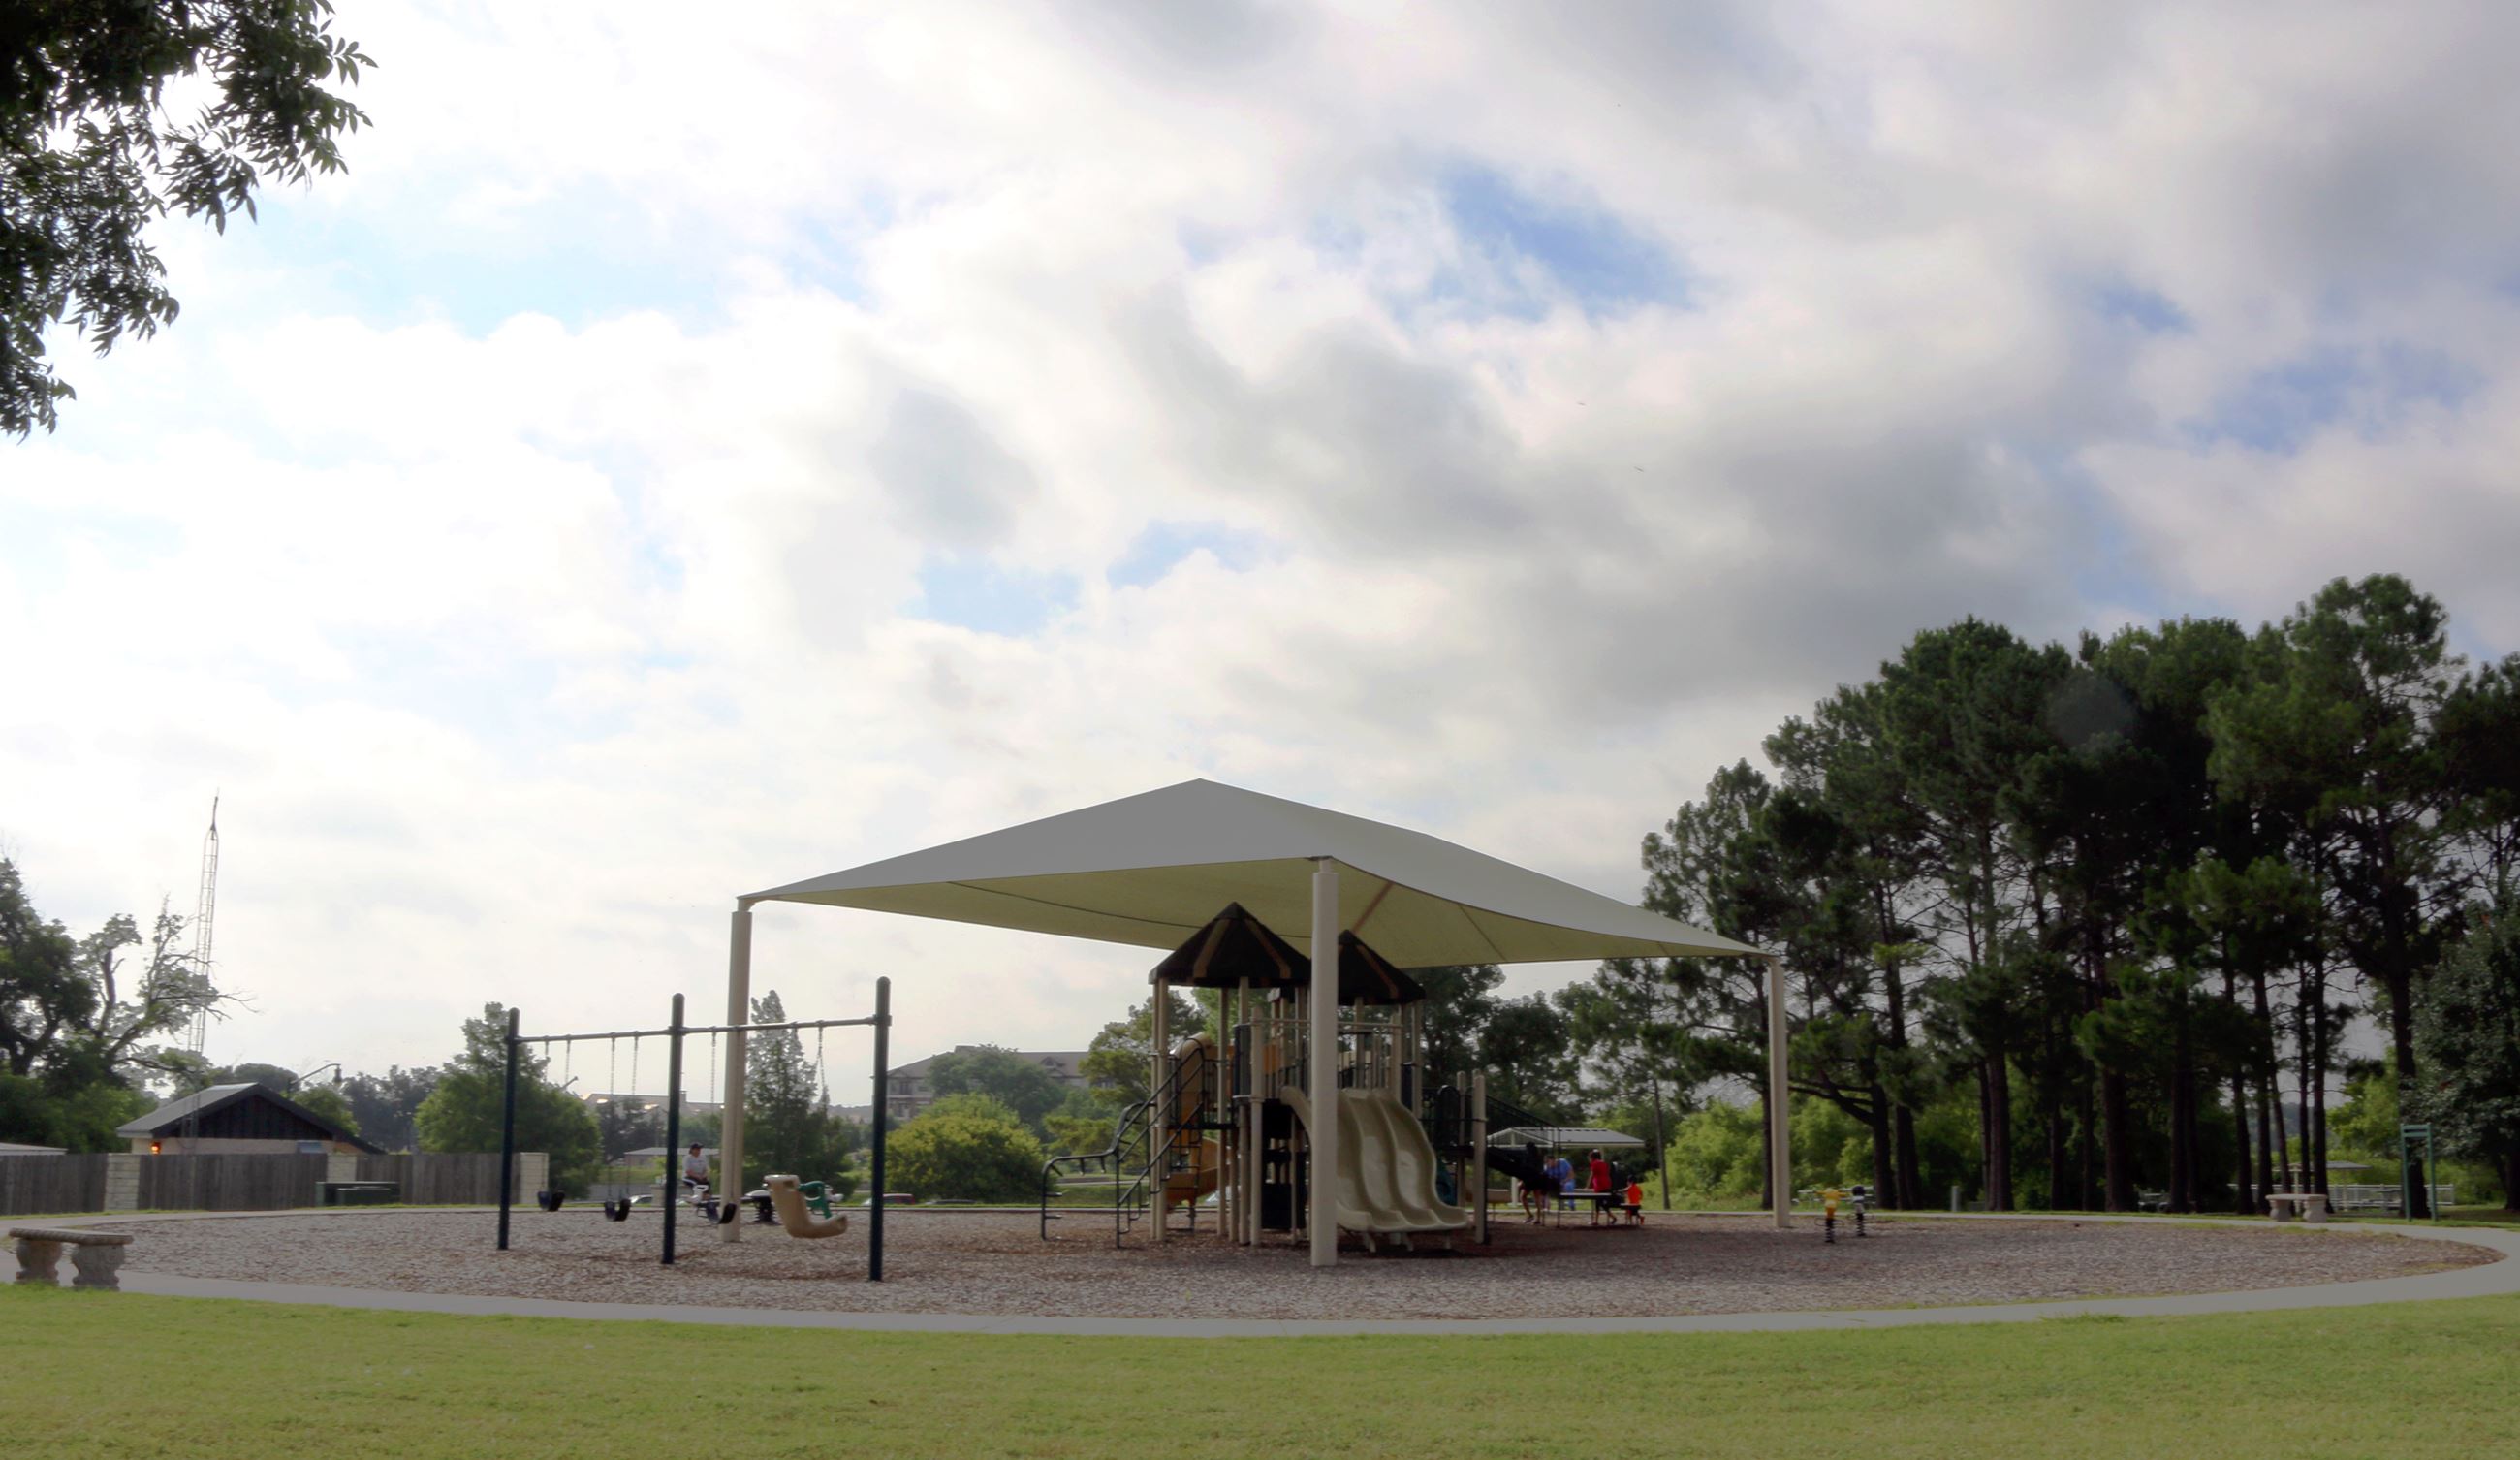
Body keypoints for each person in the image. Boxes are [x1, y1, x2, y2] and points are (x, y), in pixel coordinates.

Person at [1587, 1148, 1612, 1226]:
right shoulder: (1604, 1163)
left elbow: (1591, 1176)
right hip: (1607, 1185)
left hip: (1600, 1186)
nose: (1589, 1160)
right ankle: (1611, 1217)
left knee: (1598, 1203)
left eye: (1589, 1158)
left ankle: (1596, 1221)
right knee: (1602, 1203)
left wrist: (1587, 1186)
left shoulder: (1594, 1164)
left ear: (1592, 1158)